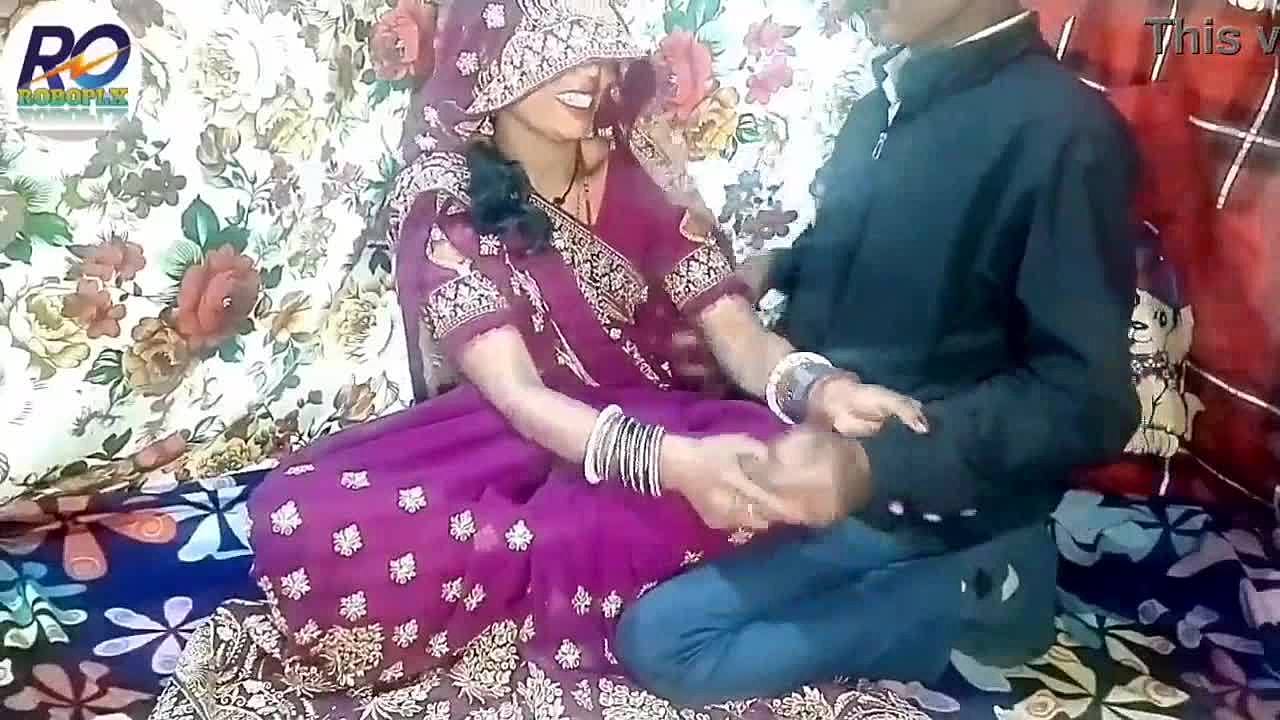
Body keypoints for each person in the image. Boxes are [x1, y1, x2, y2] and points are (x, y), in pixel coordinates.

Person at [244, 0, 926, 691]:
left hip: (671, 415)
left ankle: (892, 584)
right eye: (555, 51)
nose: (588, 76)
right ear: (489, 59)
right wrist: (674, 466)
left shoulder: (636, 167)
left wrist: (818, 387)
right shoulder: (444, 199)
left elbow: (735, 332)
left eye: (598, 52)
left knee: (795, 468)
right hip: (519, 439)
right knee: (311, 523)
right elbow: (520, 395)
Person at [614, 0, 1142, 705]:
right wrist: (765, 273)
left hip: (921, 498)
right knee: (600, 535)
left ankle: (988, 591)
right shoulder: (881, 108)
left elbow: (1085, 399)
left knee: (664, 640)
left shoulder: (1065, 133)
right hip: (807, 440)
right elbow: (853, 250)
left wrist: (876, 466)